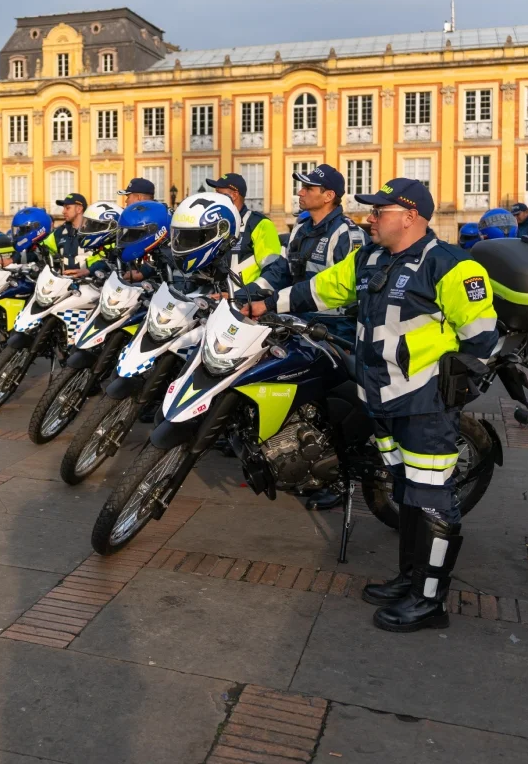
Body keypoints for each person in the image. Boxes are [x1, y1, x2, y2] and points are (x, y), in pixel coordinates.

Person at [244, 178, 498, 633]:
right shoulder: (369, 258)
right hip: (379, 399)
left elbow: (482, 340)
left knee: (432, 499)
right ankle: (408, 579)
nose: (370, 218)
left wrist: (452, 392)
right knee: (405, 493)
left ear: (411, 217)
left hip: (422, 406)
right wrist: (263, 304)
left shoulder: (452, 266)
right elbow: (319, 290)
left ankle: (429, 601)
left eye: (380, 211)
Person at [273, 165, 366, 509]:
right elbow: (284, 270)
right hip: (297, 321)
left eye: (308, 188)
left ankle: (341, 478)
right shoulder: (300, 225)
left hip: (334, 329)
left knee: (331, 407)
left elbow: (353, 289)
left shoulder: (349, 235)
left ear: (328, 196)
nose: (300, 191)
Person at [206, 173, 284, 289]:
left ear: (234, 195)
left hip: (245, 302)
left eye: (219, 194)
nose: (215, 198)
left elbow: (273, 273)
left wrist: (241, 296)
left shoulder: (260, 224)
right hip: (216, 298)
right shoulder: (217, 224)